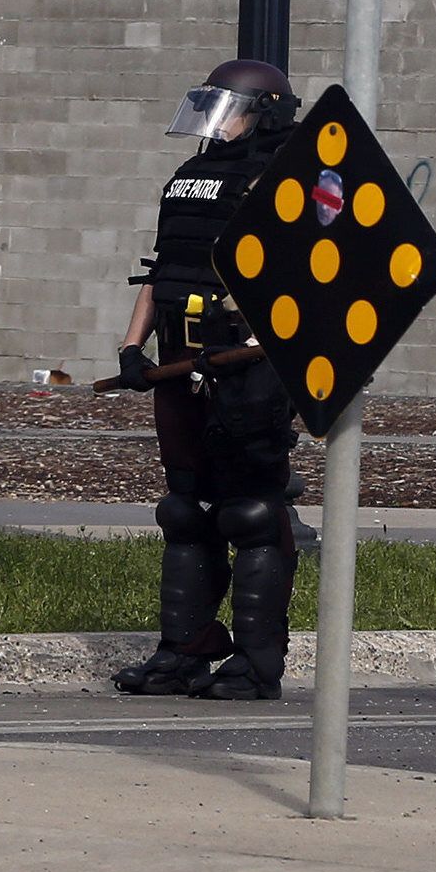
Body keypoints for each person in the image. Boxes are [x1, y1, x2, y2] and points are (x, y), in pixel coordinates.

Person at [111, 60, 305, 699]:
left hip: (247, 366)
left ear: (267, 115)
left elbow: (299, 282)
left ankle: (256, 662)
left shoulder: (287, 182)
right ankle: (183, 651)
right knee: (185, 509)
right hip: (179, 360)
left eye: (234, 110)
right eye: (212, 109)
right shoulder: (189, 176)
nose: (218, 124)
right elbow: (162, 269)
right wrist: (132, 347)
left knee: (250, 511)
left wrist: (253, 346)